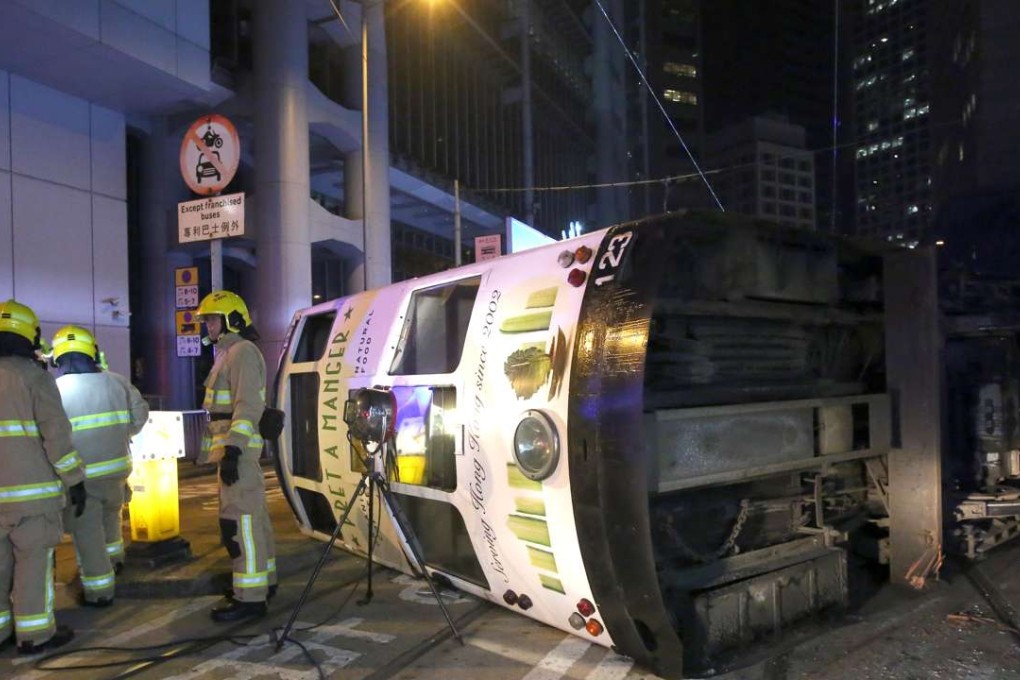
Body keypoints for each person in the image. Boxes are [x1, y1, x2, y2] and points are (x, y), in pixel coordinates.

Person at [0, 300, 86, 654]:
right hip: (32, 499)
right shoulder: (34, 378)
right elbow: (56, 437)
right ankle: (35, 634)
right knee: (33, 564)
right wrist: (75, 479)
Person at [51, 325, 149, 606]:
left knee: (88, 535)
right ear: (92, 352)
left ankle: (99, 592)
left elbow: (51, 435)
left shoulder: (55, 390)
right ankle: (116, 561)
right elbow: (140, 415)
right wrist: (121, 433)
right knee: (111, 519)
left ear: (58, 357)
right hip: (117, 470)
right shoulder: (117, 382)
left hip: (81, 478)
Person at [196, 290, 277, 622]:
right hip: (236, 451)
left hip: (238, 452)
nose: (208, 325)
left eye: (212, 319)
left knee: (240, 522)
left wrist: (233, 448)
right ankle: (264, 582)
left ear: (232, 320)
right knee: (253, 519)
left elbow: (247, 405)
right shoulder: (229, 353)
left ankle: (250, 598)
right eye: (206, 320)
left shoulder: (241, 352)